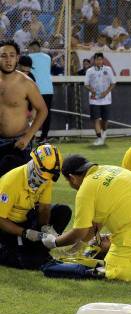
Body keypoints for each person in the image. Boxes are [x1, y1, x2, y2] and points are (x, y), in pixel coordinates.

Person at [41, 155, 131, 282]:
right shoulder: (112, 169)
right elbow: (94, 226)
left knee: (112, 270)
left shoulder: (87, 189)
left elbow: (80, 231)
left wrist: (54, 242)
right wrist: (74, 251)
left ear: (72, 178)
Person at [0, 144, 71, 269]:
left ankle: (38, 247)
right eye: (41, 177)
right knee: (27, 263)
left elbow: (44, 208)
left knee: (63, 211)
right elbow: (1, 220)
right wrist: (26, 233)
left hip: (27, 218)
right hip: (7, 226)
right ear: (34, 164)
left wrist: (44, 229)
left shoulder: (46, 178)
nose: (43, 181)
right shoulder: (11, 182)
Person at [0, 40, 48, 177]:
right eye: (3, 56)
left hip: (18, 143)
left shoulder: (27, 83)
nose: (8, 60)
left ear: (17, 58)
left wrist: (28, 137)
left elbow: (42, 110)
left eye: (12, 55)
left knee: (18, 189)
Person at [84, 52, 115, 146]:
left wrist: (106, 92)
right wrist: (92, 90)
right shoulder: (89, 71)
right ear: (94, 60)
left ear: (103, 60)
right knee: (96, 119)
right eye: (97, 59)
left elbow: (113, 83)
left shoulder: (108, 69)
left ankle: (104, 132)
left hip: (106, 99)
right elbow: (86, 84)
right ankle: (99, 137)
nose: (99, 61)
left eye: (100, 59)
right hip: (94, 99)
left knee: (105, 120)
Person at [27, 40, 53, 142]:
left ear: (32, 48)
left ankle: (30, 136)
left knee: (31, 112)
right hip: (48, 89)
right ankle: (44, 136)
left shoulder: (29, 57)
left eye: (29, 49)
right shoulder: (48, 57)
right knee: (46, 113)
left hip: (35, 89)